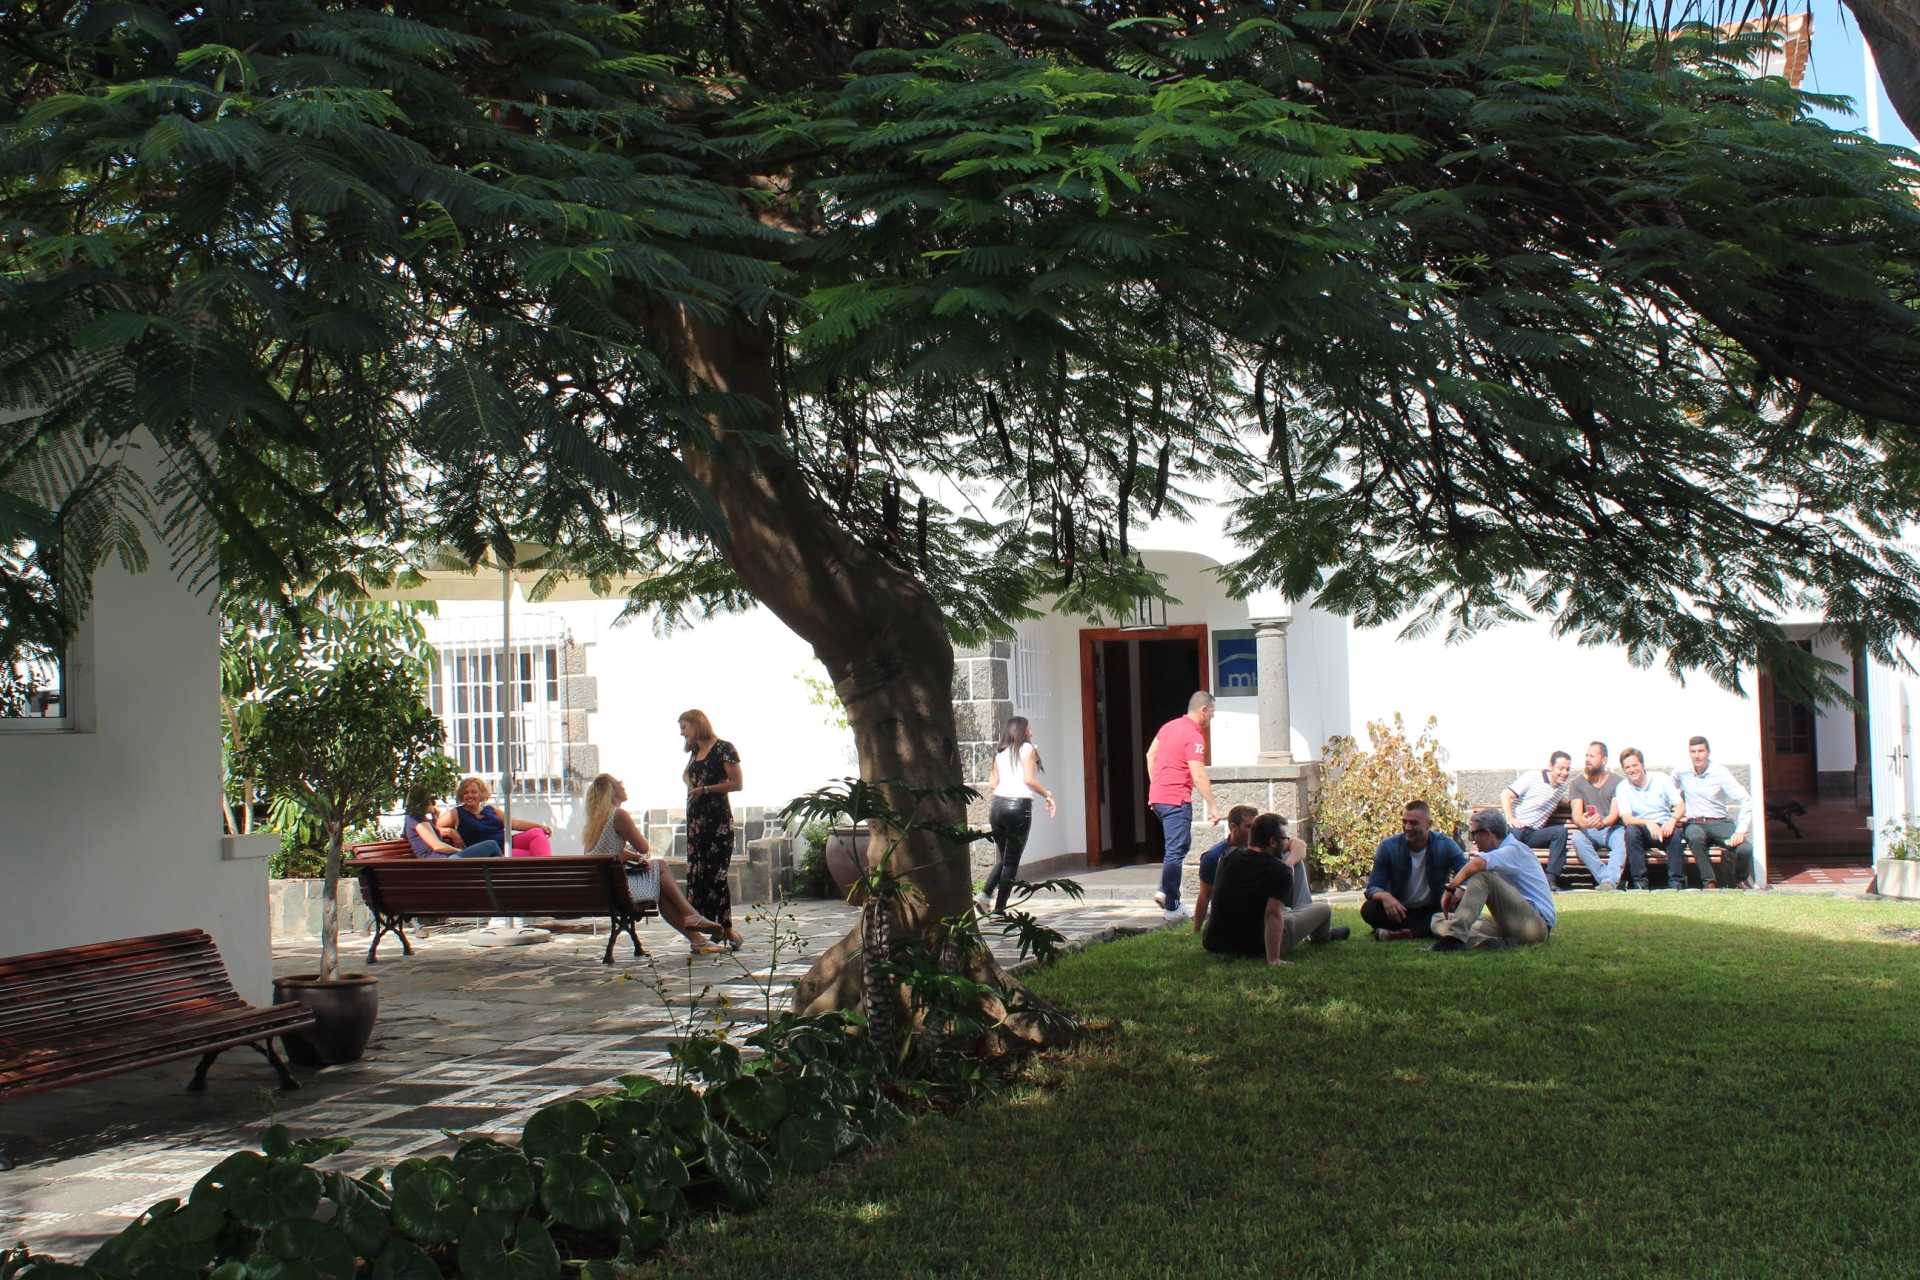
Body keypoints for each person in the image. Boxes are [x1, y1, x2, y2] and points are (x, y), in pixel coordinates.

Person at [581, 773, 729, 953]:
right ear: (611, 791)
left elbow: (603, 855)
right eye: (617, 782)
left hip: (601, 891)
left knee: (662, 887)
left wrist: (628, 856)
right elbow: (643, 847)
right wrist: (635, 850)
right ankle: (692, 916)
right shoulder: (618, 815)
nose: (622, 783)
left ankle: (698, 940)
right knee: (660, 866)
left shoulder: (594, 822)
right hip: (619, 893)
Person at [1202, 813, 1348, 963]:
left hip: (1215, 941)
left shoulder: (1228, 856)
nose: (1286, 842)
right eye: (1284, 838)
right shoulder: (1279, 870)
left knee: (1281, 913)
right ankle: (1322, 937)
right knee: (1323, 909)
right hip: (1257, 945)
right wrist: (1274, 959)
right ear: (1272, 841)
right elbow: (1272, 914)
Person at [1430, 810, 1557, 950]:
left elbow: (1477, 865)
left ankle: (1455, 939)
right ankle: (1491, 942)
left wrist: (1450, 888)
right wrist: (1458, 894)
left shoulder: (1514, 850)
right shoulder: (1498, 856)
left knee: (1483, 876)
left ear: (1487, 833)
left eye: (1473, 833)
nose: (1472, 840)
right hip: (1511, 924)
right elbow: (1478, 883)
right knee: (1438, 919)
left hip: (1535, 926)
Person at [1146, 691, 1221, 924]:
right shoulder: (1194, 736)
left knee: (1181, 844)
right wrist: (1213, 805)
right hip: (1176, 799)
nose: (1212, 718)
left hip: (1159, 798)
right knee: (1175, 850)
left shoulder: (1168, 727)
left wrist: (1156, 784)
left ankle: (1163, 890)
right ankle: (1172, 906)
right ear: (1204, 710)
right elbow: (1198, 774)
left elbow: (1150, 754)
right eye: (1212, 713)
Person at [977, 716, 1058, 914]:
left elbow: (993, 784)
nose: (1032, 732)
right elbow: (1029, 780)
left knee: (1004, 858)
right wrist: (1048, 795)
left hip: (997, 807)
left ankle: (985, 896)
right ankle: (999, 910)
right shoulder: (1028, 749)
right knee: (1011, 862)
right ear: (1023, 731)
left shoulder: (1000, 753)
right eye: (1029, 728)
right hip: (1018, 807)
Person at [680, 709, 745, 948]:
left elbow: (737, 784)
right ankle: (709, 926)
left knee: (717, 875)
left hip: (717, 822)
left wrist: (705, 790)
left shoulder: (724, 748)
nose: (682, 733)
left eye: (684, 727)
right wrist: (692, 784)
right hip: (696, 823)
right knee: (697, 876)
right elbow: (688, 776)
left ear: (697, 725)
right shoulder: (695, 752)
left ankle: (727, 930)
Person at [1361, 800, 1467, 940]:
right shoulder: (1388, 846)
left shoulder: (1445, 845)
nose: (1407, 827)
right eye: (1404, 822)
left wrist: (1458, 890)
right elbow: (1373, 887)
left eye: (1413, 823)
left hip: (1434, 909)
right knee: (1369, 909)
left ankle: (1400, 933)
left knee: (1463, 904)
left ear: (1429, 824)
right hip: (1400, 910)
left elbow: (1468, 873)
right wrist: (1385, 896)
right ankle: (1424, 930)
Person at [1675, 735, 1755, 890]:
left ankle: (1740, 880)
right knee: (1695, 838)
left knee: (1745, 849)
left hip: (1720, 823)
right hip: (1695, 823)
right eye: (1693, 751)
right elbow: (1669, 790)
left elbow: (1745, 799)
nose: (1697, 755)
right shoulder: (1682, 771)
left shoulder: (1720, 772)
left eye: (1701, 751)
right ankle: (1709, 883)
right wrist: (1675, 814)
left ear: (1708, 752)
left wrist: (1740, 830)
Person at [1617, 747, 1686, 890]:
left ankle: (1676, 883)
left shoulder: (1661, 779)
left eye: (1634, 765)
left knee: (1676, 835)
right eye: (1627, 767)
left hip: (1664, 826)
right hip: (1641, 828)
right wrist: (1648, 823)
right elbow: (1627, 819)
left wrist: (1672, 820)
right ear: (1623, 769)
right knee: (1630, 832)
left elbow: (1680, 805)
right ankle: (1640, 883)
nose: (1632, 770)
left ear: (1642, 765)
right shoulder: (1622, 787)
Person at [1502, 751, 1572, 880]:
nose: (1564, 773)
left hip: (1534, 834)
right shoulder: (1532, 777)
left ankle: (1551, 878)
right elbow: (1506, 795)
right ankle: (1507, 878)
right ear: (1550, 766)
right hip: (1516, 829)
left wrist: (1579, 806)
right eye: (1561, 768)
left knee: (1560, 832)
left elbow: (1559, 800)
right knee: (1516, 833)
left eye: (1567, 769)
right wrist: (1510, 818)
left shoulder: (1561, 787)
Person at [1567, 740, 1628, 890]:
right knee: (1577, 838)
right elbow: (1576, 815)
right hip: (1589, 830)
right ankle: (1607, 879)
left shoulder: (1618, 782)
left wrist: (1602, 822)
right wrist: (1584, 822)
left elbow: (1614, 814)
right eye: (1586, 756)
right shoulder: (1577, 783)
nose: (1588, 759)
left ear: (1604, 760)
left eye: (1592, 756)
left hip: (1612, 829)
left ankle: (1609, 880)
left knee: (1622, 838)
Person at [1193, 804, 1260, 934]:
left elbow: (1295, 844)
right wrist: (1196, 929)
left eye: (1256, 827)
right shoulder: (1213, 857)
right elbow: (1205, 895)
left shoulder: (1264, 847)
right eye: (1249, 827)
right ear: (1233, 827)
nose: (1254, 831)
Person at [449, 777, 553, 857]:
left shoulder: (491, 809)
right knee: (528, 855)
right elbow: (439, 827)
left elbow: (513, 823)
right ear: (461, 795)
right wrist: (451, 832)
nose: (469, 795)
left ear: (481, 794)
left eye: (474, 792)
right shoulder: (456, 812)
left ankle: (545, 872)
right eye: (466, 793)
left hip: (507, 843)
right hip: (492, 852)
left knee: (538, 832)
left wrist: (540, 826)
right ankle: (547, 875)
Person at [403, 786, 500, 859]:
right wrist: (459, 851)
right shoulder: (416, 820)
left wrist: (435, 816)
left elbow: (433, 836)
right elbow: (437, 846)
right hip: (439, 862)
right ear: (424, 803)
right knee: (491, 845)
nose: (434, 804)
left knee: (490, 848)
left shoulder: (419, 819)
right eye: (432, 801)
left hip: (442, 860)